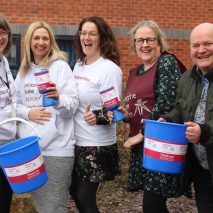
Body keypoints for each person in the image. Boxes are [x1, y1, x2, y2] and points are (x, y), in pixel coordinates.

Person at [119, 20, 187, 213]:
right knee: (153, 205)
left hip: (161, 143)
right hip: (143, 145)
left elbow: (166, 103)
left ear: (159, 42)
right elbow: (142, 108)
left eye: (150, 39)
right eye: (140, 40)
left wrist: (140, 134)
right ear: (134, 44)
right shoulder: (135, 72)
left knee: (152, 205)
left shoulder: (166, 62)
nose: (145, 45)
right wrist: (126, 114)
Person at [15, 21, 79, 213]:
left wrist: (58, 99)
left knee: (54, 206)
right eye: (36, 38)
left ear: (51, 42)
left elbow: (72, 105)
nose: (41, 42)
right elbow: (15, 104)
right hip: (31, 151)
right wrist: (28, 112)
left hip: (57, 150)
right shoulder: (24, 71)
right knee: (43, 207)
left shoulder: (61, 67)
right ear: (29, 42)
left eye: (45, 38)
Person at [69, 16, 122, 213]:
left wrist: (97, 116)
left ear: (102, 38)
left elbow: (114, 110)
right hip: (77, 142)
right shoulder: (79, 65)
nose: (86, 37)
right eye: (83, 32)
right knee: (74, 191)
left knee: (84, 196)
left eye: (92, 33)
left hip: (96, 145)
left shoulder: (109, 69)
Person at [159, 22, 213, 213]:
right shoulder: (187, 77)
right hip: (202, 168)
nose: (201, 50)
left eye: (208, 43)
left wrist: (204, 131)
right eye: (195, 45)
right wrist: (168, 120)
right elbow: (180, 108)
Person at [0, 14, 16, 213]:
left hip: (7, 148)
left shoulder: (4, 63)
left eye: (3, 32)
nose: (0, 37)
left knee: (5, 200)